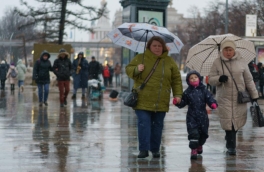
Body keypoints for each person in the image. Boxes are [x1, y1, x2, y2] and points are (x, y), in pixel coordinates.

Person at [126, 36, 183, 158]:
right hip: (142, 99)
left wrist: (178, 95)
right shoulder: (140, 58)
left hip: (160, 100)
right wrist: (137, 69)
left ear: (163, 47)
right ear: (149, 46)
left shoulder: (169, 61)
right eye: (154, 45)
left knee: (158, 125)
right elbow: (129, 70)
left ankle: (155, 149)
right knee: (144, 123)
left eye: (159, 46)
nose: (157, 48)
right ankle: (144, 149)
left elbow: (176, 80)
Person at [209, 39, 259, 155]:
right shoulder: (217, 62)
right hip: (224, 97)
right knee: (228, 123)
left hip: (239, 97)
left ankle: (230, 139)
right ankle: (231, 146)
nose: (228, 52)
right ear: (222, 50)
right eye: (226, 49)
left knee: (236, 122)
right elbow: (211, 80)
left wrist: (254, 95)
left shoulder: (242, 62)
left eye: (230, 49)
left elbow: (249, 79)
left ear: (234, 50)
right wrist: (219, 79)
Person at [173, 70, 217, 159]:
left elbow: (210, 98)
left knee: (203, 133)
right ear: (188, 81)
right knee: (193, 134)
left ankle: (200, 144)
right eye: (191, 78)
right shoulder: (187, 92)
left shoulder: (204, 90)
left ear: (199, 79)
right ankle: (193, 149)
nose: (193, 79)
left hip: (203, 117)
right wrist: (178, 102)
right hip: (191, 117)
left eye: (195, 77)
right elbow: (183, 103)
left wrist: (213, 104)